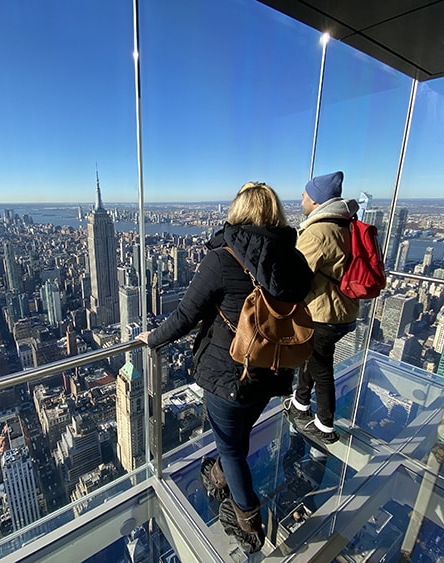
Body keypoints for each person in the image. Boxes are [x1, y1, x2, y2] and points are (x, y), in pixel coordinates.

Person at [137, 182, 312, 553]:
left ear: (238, 211)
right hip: (274, 371)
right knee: (236, 437)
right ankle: (219, 475)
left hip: (230, 372)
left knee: (232, 448)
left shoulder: (222, 257)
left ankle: (248, 523)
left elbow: (186, 315)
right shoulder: (292, 258)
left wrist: (152, 339)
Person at [286, 171, 359, 444]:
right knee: (312, 355)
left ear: (316, 200)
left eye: (305, 195)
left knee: (320, 365)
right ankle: (300, 403)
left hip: (325, 313)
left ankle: (325, 425)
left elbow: (295, 275)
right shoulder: (345, 224)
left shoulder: (319, 231)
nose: (301, 199)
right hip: (344, 309)